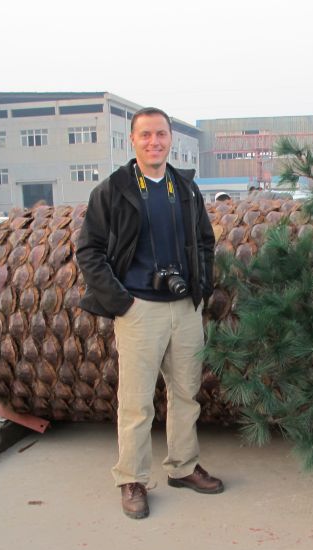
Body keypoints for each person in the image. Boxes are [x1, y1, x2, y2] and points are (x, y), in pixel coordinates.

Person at [76, 107, 222, 520]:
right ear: (132, 141)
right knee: (137, 402)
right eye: (146, 135)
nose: (154, 142)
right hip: (139, 309)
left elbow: (205, 243)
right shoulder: (113, 190)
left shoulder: (185, 188)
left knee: (185, 395)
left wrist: (201, 288)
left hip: (184, 308)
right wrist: (122, 301)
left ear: (170, 139)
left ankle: (183, 466)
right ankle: (132, 478)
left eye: (161, 134)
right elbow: (89, 251)